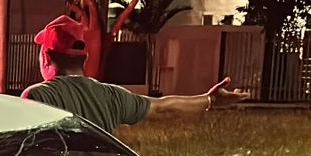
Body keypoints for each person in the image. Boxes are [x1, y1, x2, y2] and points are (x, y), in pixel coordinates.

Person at [21, 15, 248, 134]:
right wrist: (211, 101)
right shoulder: (110, 95)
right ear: (84, 57)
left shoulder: (37, 97)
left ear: (46, 57)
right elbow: (164, 106)